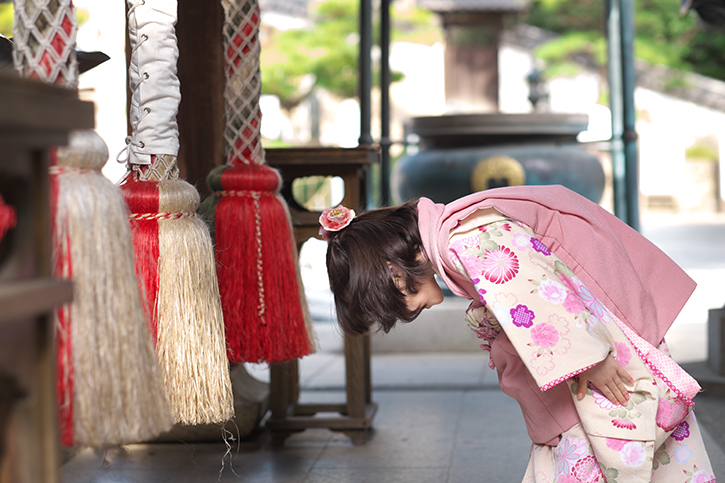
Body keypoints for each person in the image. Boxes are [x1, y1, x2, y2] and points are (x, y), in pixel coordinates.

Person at [320, 184, 716, 483]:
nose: (407, 313)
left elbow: (538, 290)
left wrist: (588, 360)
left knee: (607, 445)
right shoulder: (457, 230)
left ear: (394, 272)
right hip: (591, 334)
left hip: (596, 346)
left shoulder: (466, 239)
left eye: (394, 304)